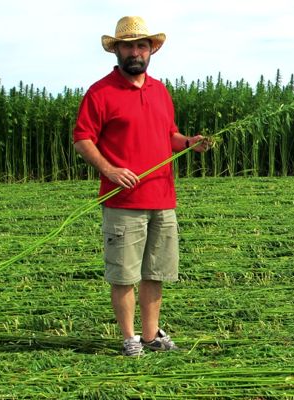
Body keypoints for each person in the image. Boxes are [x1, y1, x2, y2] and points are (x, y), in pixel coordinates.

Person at [73, 16, 207, 357]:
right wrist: (110, 169)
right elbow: (82, 139)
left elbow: (170, 136)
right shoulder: (100, 92)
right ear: (116, 50)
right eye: (128, 46)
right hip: (123, 202)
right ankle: (130, 339)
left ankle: (152, 336)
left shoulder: (160, 91)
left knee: (156, 272)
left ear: (151, 51)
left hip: (162, 199)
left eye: (141, 46)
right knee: (123, 275)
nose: (135, 52)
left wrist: (189, 142)